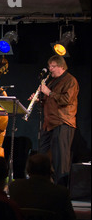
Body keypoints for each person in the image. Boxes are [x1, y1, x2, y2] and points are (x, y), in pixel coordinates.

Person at [29, 55, 79, 186]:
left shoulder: (70, 80)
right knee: (42, 156)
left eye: (53, 66)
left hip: (63, 122)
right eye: (49, 66)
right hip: (49, 123)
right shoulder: (52, 81)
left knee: (60, 158)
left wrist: (49, 92)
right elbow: (49, 101)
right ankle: (42, 185)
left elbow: (66, 100)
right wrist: (39, 99)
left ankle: (61, 188)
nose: (50, 69)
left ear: (61, 66)